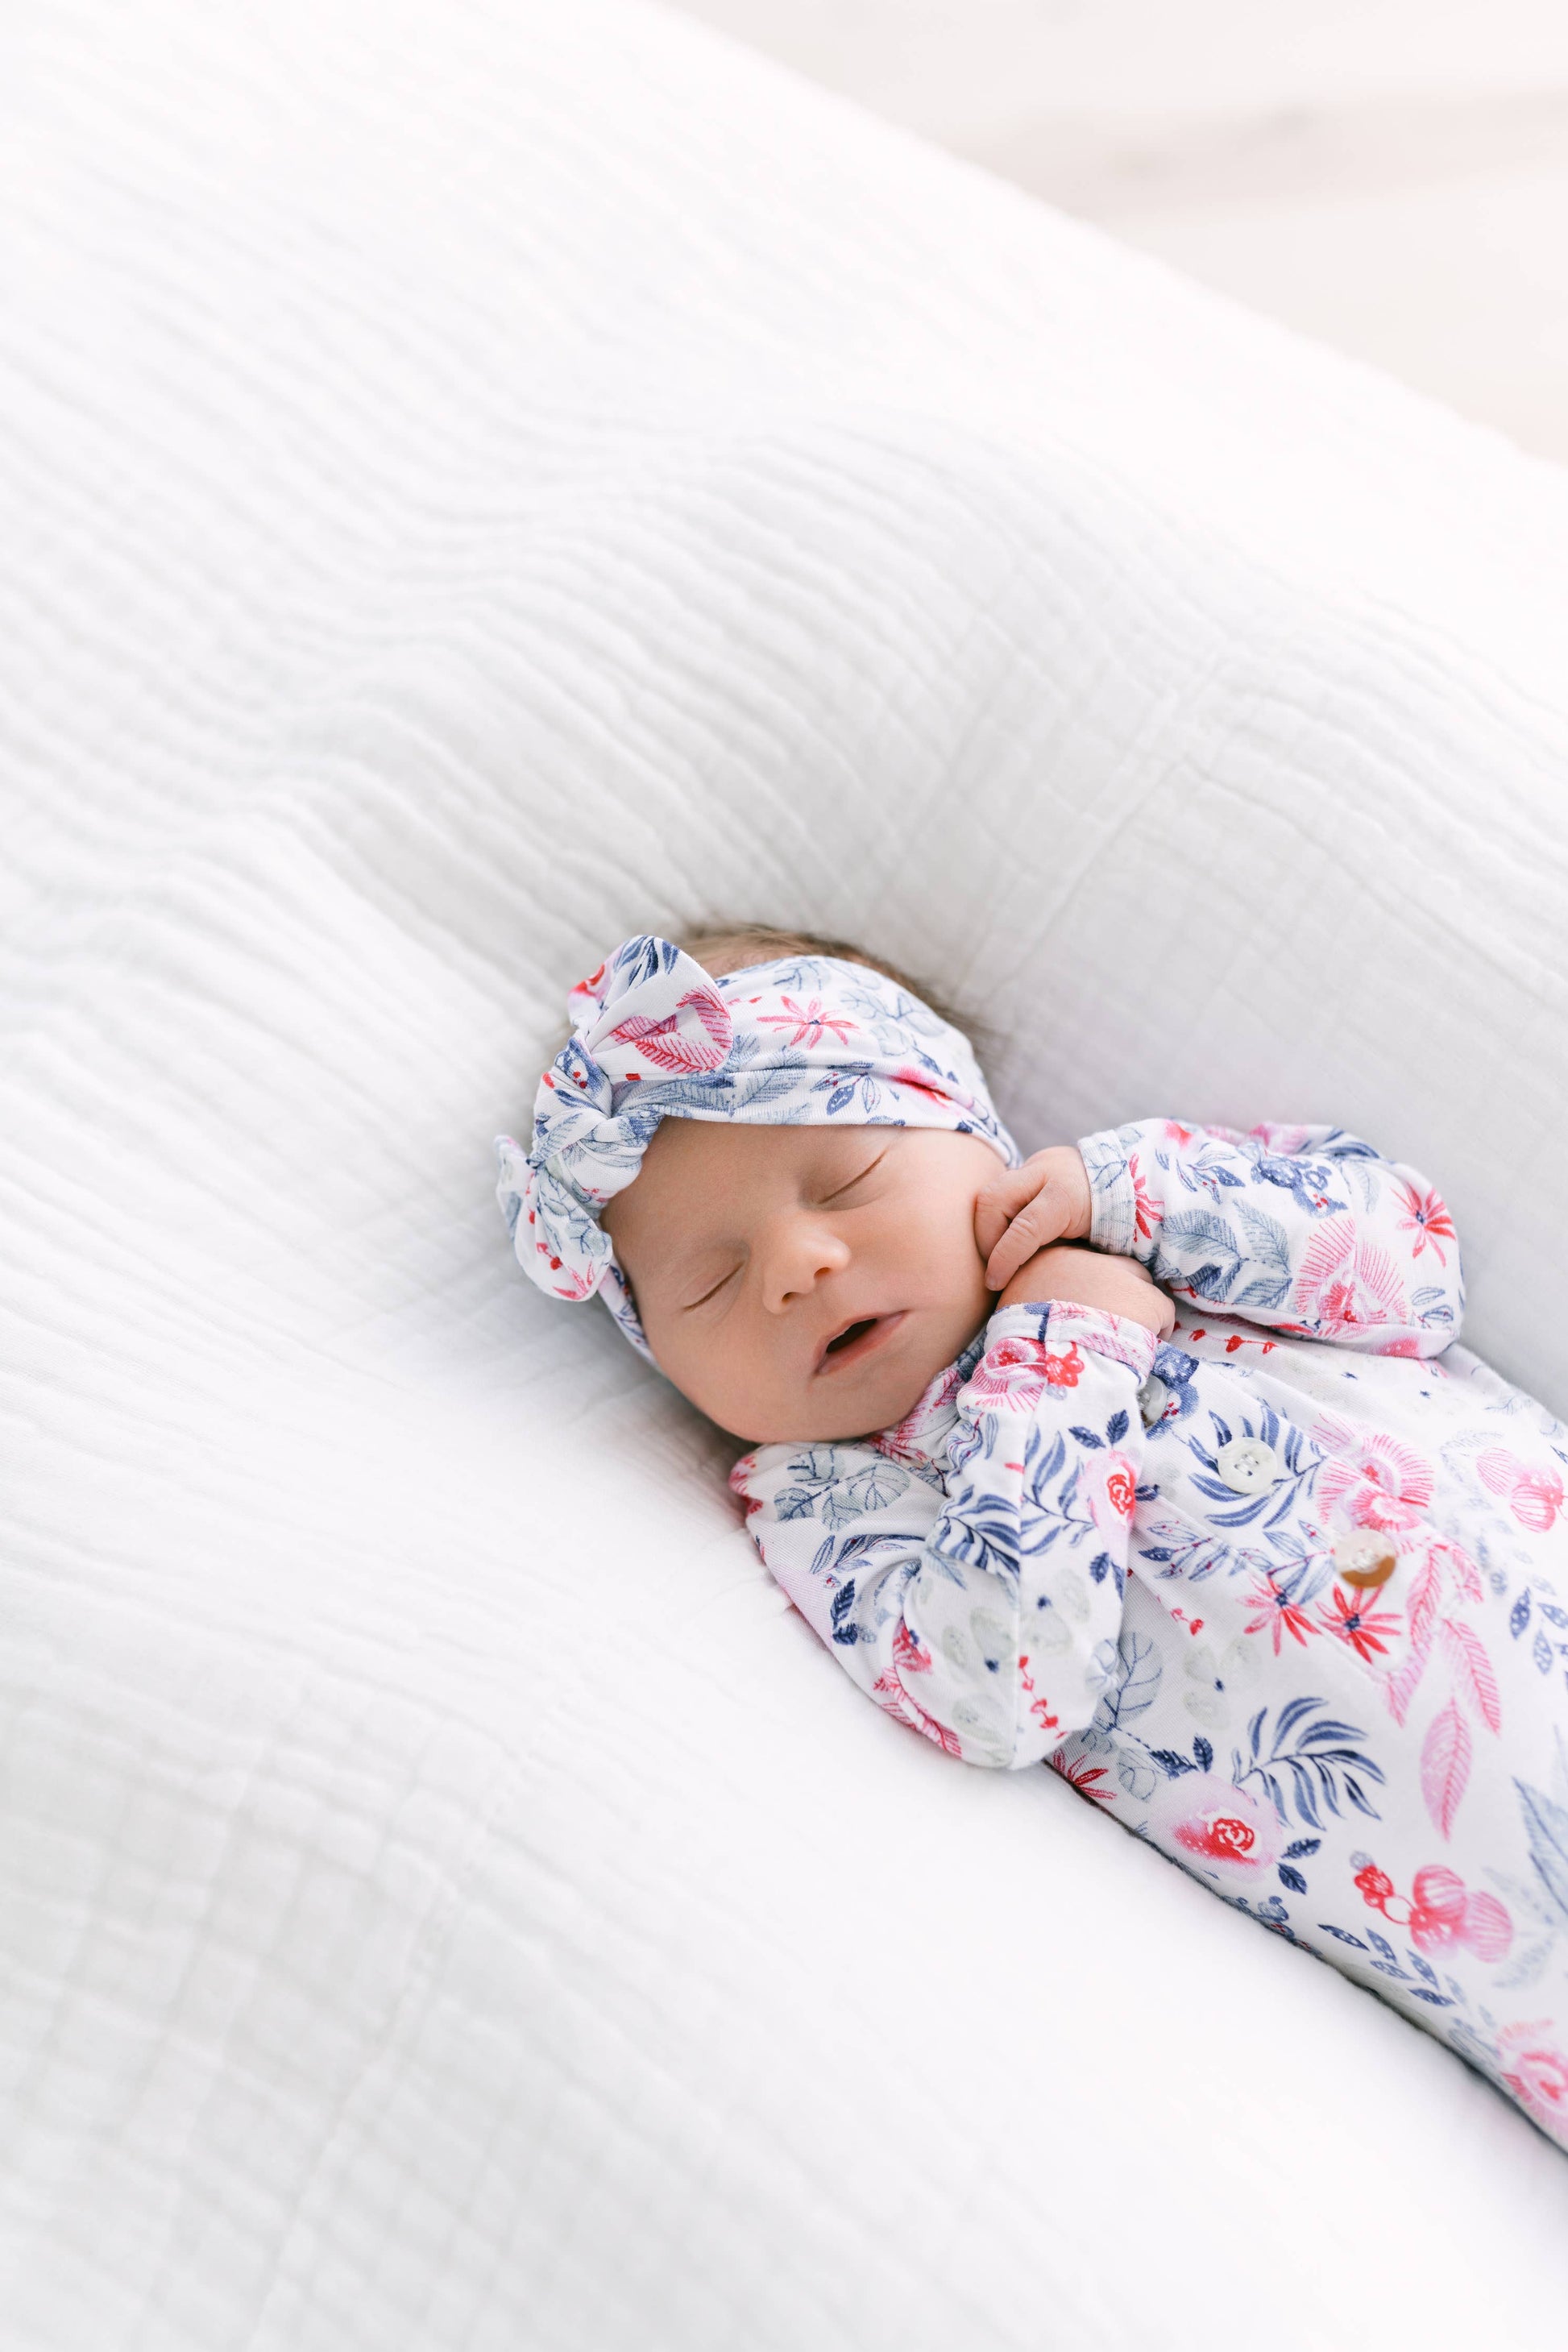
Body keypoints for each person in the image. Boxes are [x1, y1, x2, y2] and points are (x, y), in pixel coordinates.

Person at [498, 926, 1568, 2149]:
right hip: (1497, 1930)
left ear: (967, 1127)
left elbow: (1414, 1265)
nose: (798, 1261)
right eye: (709, 1283)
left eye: (847, 1179)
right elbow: (1002, 1685)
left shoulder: (1143, 1215)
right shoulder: (831, 1499)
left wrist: (1134, 1200)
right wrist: (1065, 1355)